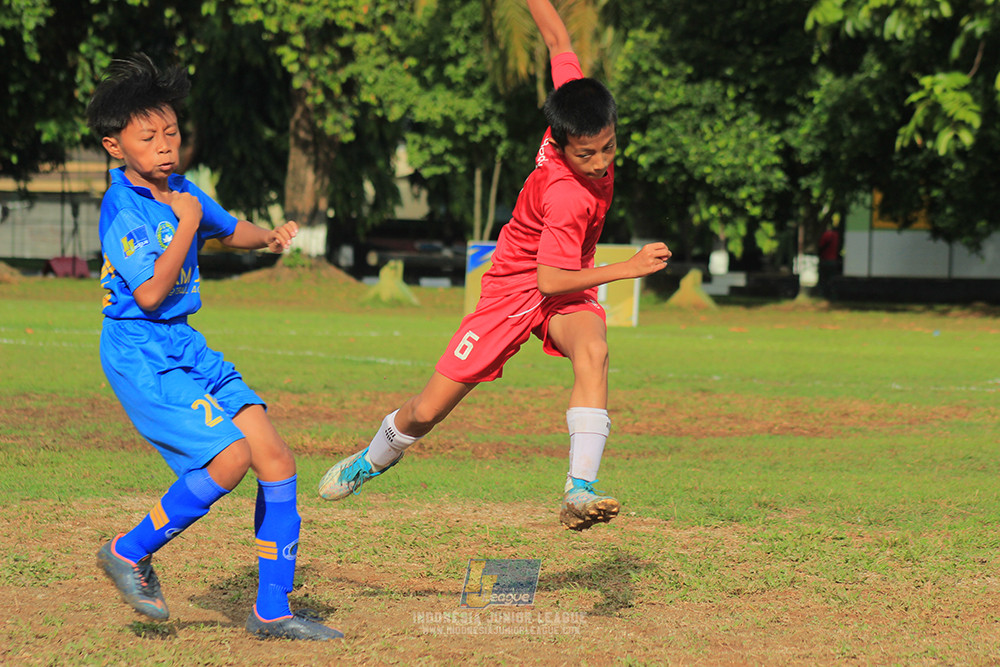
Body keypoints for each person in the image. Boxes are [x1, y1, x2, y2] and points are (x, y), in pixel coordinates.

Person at [318, 0, 672, 530]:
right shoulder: (566, 194)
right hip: (517, 287)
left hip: (564, 282)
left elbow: (557, 41)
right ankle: (373, 458)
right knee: (427, 410)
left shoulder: (578, 110)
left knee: (594, 350)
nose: (600, 162)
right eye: (587, 155)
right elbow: (548, 280)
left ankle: (579, 490)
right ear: (559, 143)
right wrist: (629, 267)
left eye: (609, 148)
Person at [87, 54, 341, 641]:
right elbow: (150, 293)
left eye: (171, 132)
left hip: (185, 343)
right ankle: (128, 551)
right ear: (114, 147)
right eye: (148, 137)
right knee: (229, 458)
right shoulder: (123, 207)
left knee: (275, 458)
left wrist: (267, 238)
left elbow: (227, 229)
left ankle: (272, 610)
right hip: (141, 349)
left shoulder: (183, 192)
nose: (164, 145)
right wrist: (186, 222)